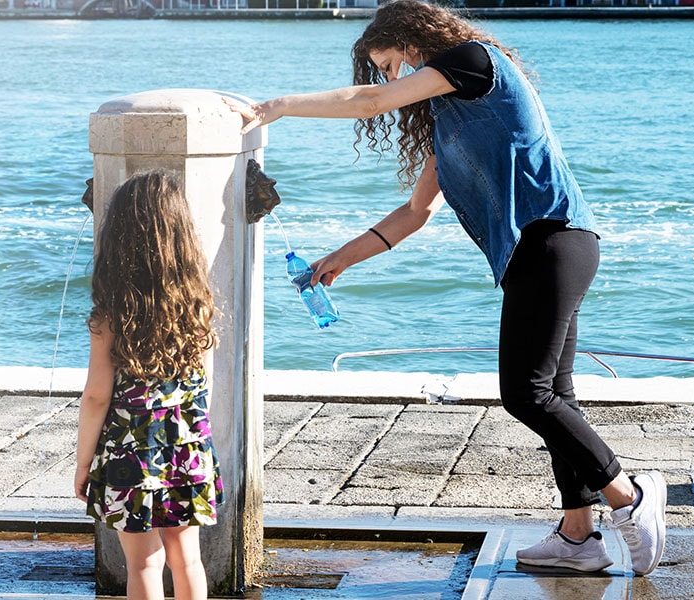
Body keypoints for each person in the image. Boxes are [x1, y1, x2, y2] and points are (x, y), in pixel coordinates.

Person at [227, 0, 666, 576]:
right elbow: (414, 212)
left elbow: (370, 103)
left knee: (526, 394)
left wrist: (276, 107)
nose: (386, 79)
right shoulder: (449, 114)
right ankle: (578, 536)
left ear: (409, 39)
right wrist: (340, 259)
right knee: (554, 395)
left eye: (386, 63)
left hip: (552, 241)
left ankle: (629, 495)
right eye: (381, 71)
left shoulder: (474, 62)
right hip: (540, 252)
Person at [74, 170, 224, 600]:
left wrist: (84, 463)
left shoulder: (111, 316)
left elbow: (96, 396)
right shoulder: (197, 307)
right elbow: (205, 386)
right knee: (187, 560)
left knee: (143, 562)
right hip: (187, 448)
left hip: (128, 454)